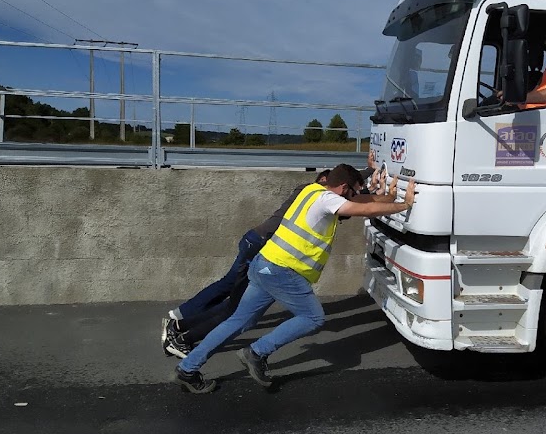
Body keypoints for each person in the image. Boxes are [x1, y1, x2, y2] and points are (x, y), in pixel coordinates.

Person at [173, 163, 415, 393]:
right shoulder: (328, 199)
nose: (353, 195)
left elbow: (362, 201)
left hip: (264, 264)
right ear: (343, 188)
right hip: (282, 270)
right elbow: (360, 208)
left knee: (238, 321)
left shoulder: (311, 190)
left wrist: (389, 198)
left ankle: (188, 368)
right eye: (352, 191)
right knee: (313, 317)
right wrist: (403, 205)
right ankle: (256, 352)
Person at [162, 151, 377, 358]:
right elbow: (348, 198)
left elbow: (348, 191)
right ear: (324, 180)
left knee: (230, 293)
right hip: (263, 246)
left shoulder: (317, 193)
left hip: (258, 242)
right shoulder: (314, 193)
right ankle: (181, 335)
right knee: (233, 306)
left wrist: (367, 172)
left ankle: (180, 323)